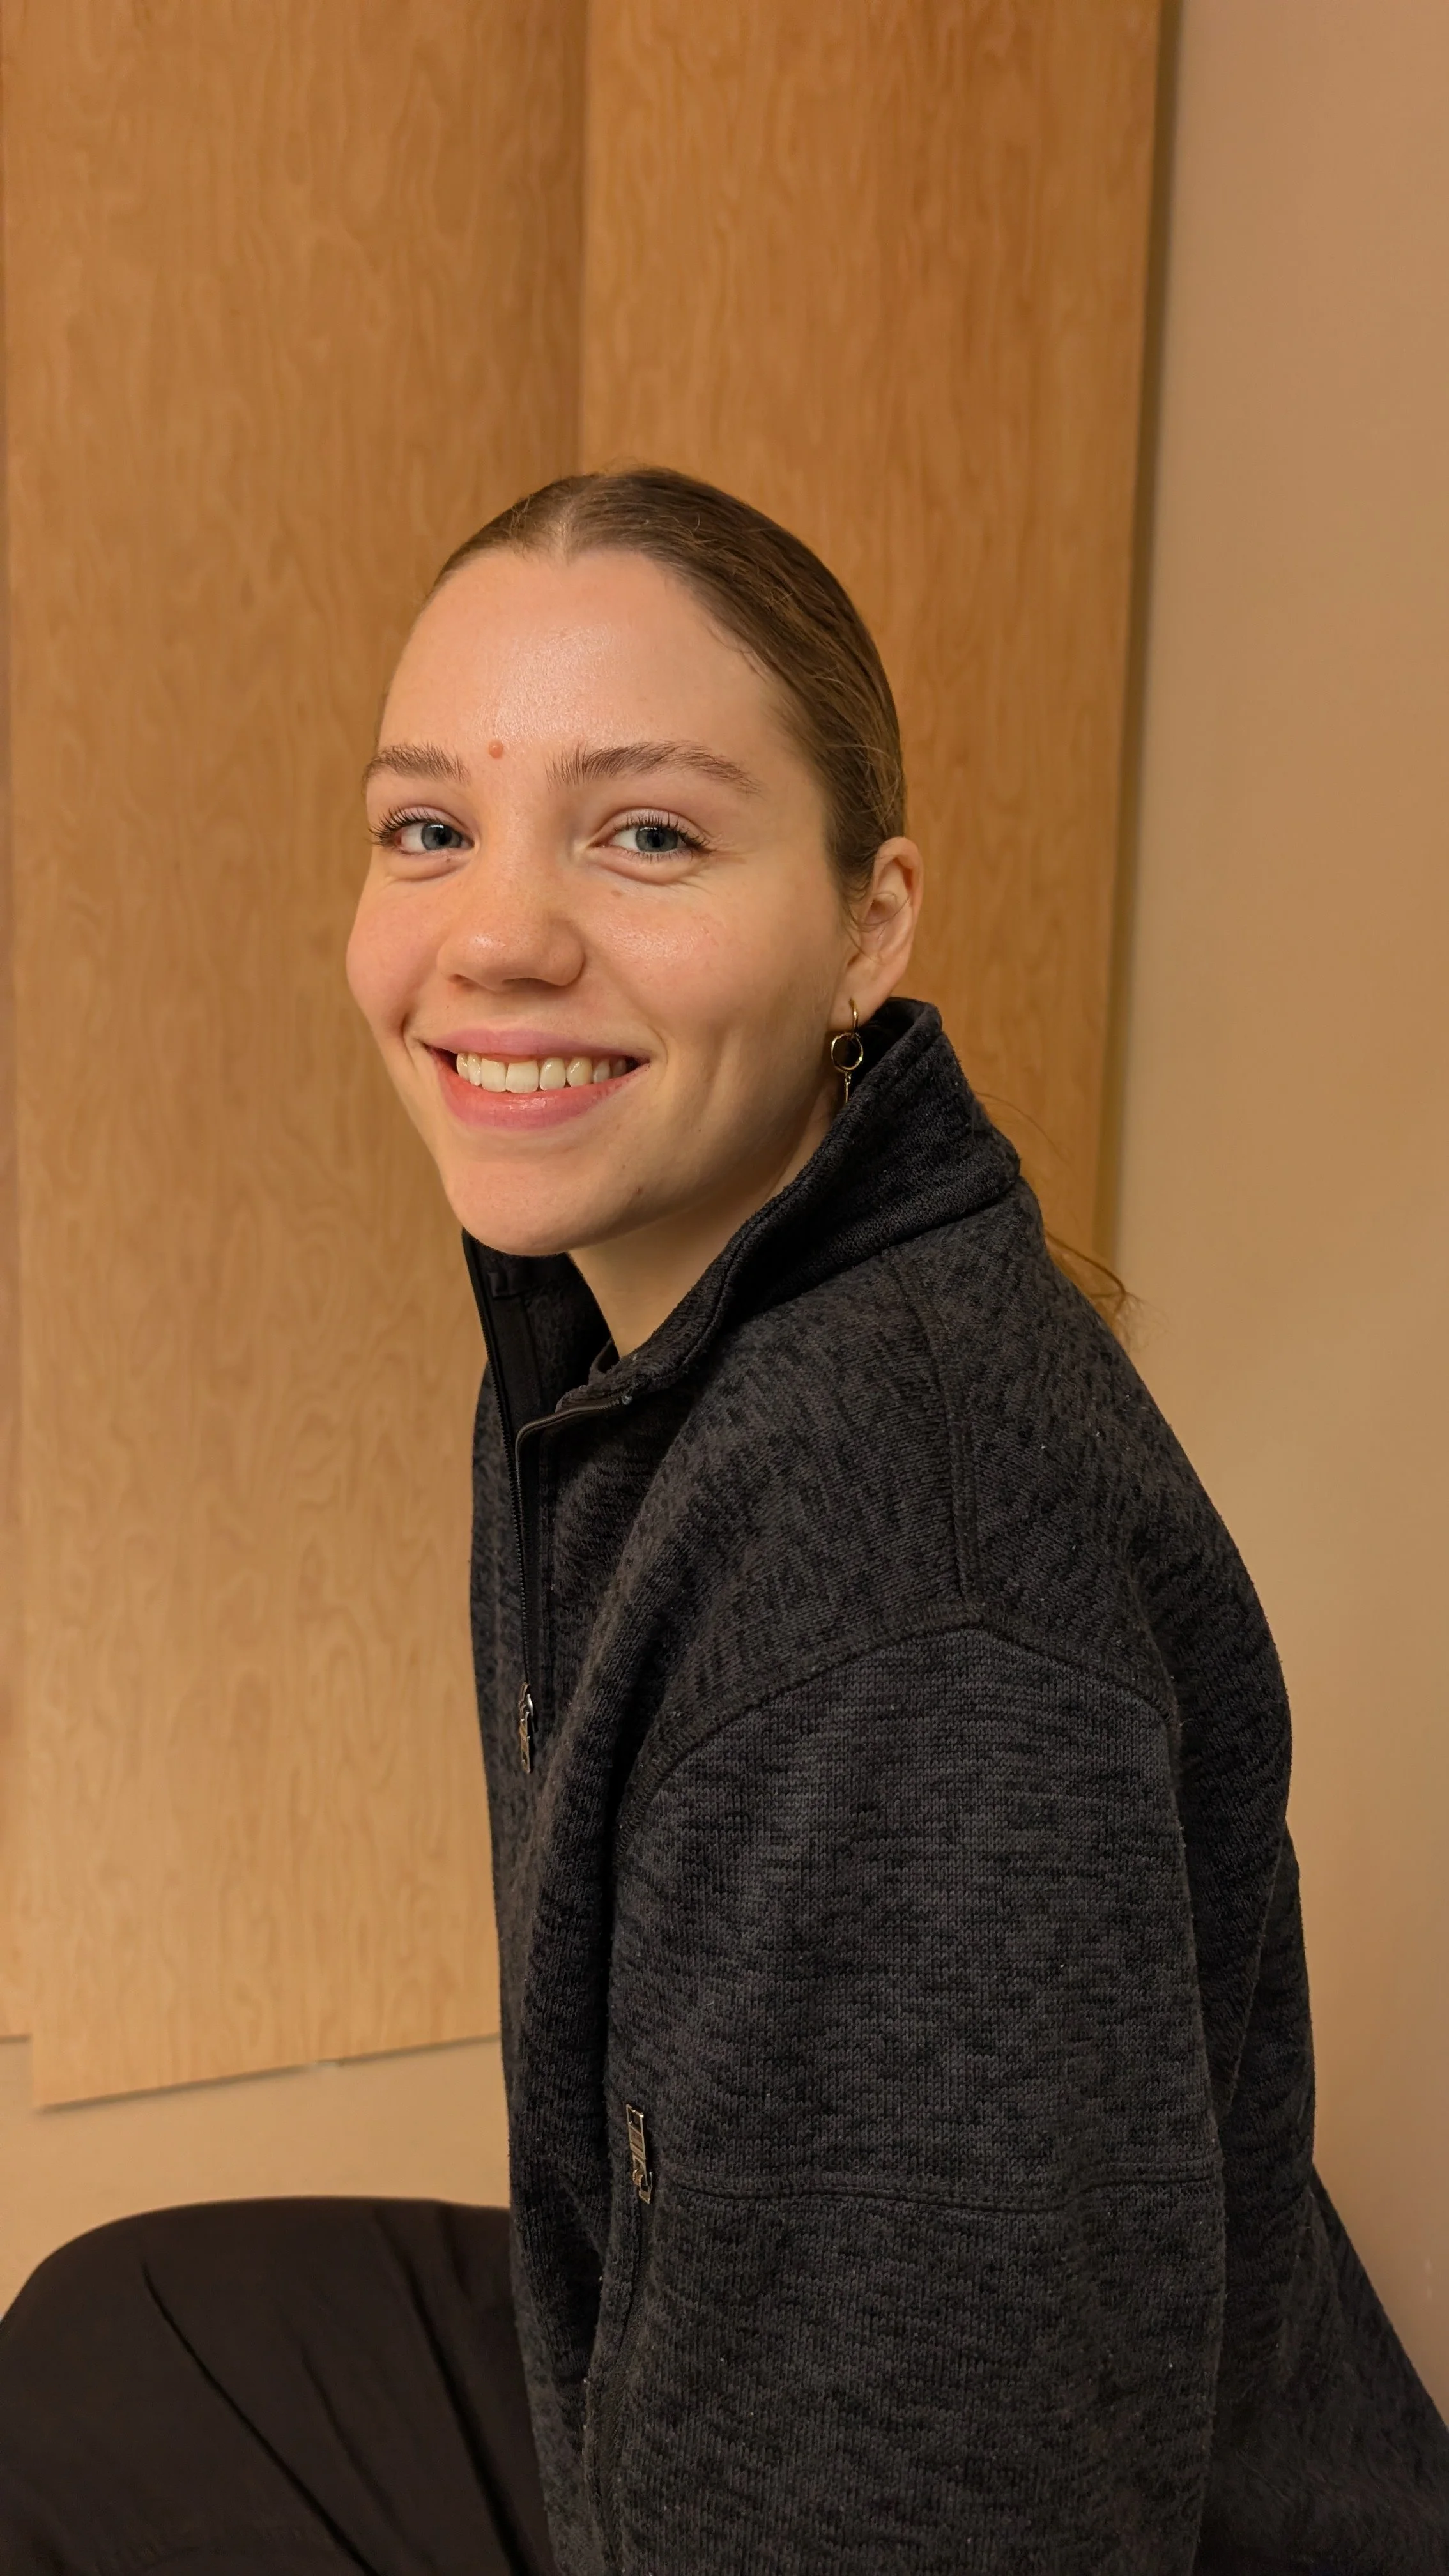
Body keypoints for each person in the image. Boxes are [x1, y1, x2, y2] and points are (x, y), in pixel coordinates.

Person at [2, 467, 1446, 2576]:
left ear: (870, 923)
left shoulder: (914, 1633)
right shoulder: (647, 1323)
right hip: (691, 2371)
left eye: (649, 832)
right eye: (430, 827)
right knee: (114, 2336)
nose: (492, 932)